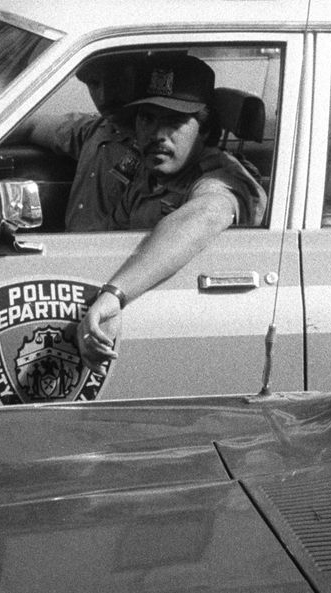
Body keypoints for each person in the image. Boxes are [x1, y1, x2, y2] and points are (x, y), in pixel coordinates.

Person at [23, 53, 265, 366]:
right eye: (147, 119)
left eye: (175, 122)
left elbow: (207, 214)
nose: (157, 135)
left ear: (205, 131)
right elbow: (36, 126)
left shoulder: (221, 176)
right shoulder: (139, 157)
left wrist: (115, 296)